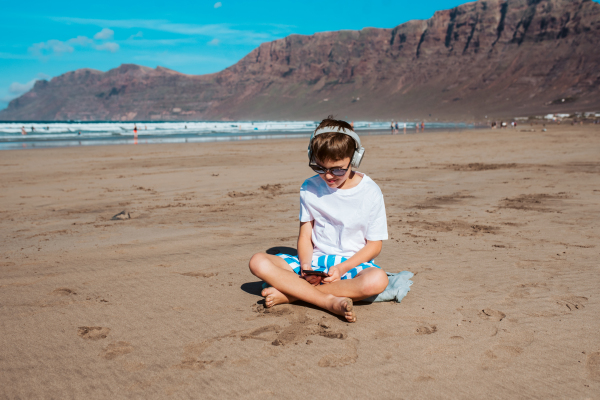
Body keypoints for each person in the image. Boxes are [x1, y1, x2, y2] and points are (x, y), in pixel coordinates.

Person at [249, 116, 389, 323]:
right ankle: (327, 301)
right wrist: (305, 267)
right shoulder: (309, 187)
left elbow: (375, 245)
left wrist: (342, 268)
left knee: (377, 280)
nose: (329, 176)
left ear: (355, 159)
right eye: (320, 168)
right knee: (258, 261)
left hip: (350, 264)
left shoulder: (370, 192)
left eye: (338, 169)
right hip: (314, 261)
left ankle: (292, 294)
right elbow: (305, 236)